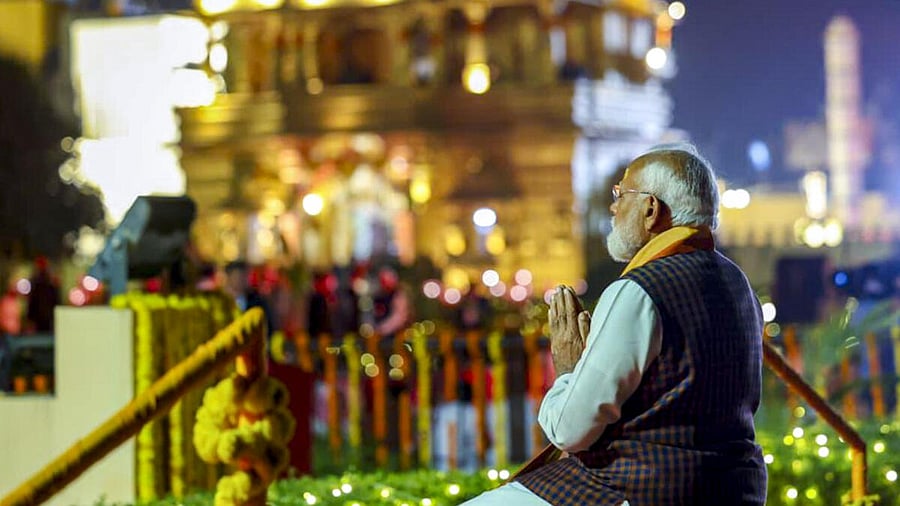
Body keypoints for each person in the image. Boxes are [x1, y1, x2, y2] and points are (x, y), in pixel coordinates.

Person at [464, 144, 766, 505]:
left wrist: (568, 371)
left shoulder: (637, 291)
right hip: (736, 488)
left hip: (646, 489)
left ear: (651, 209)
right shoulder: (736, 282)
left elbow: (569, 430)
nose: (613, 207)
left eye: (621, 195)